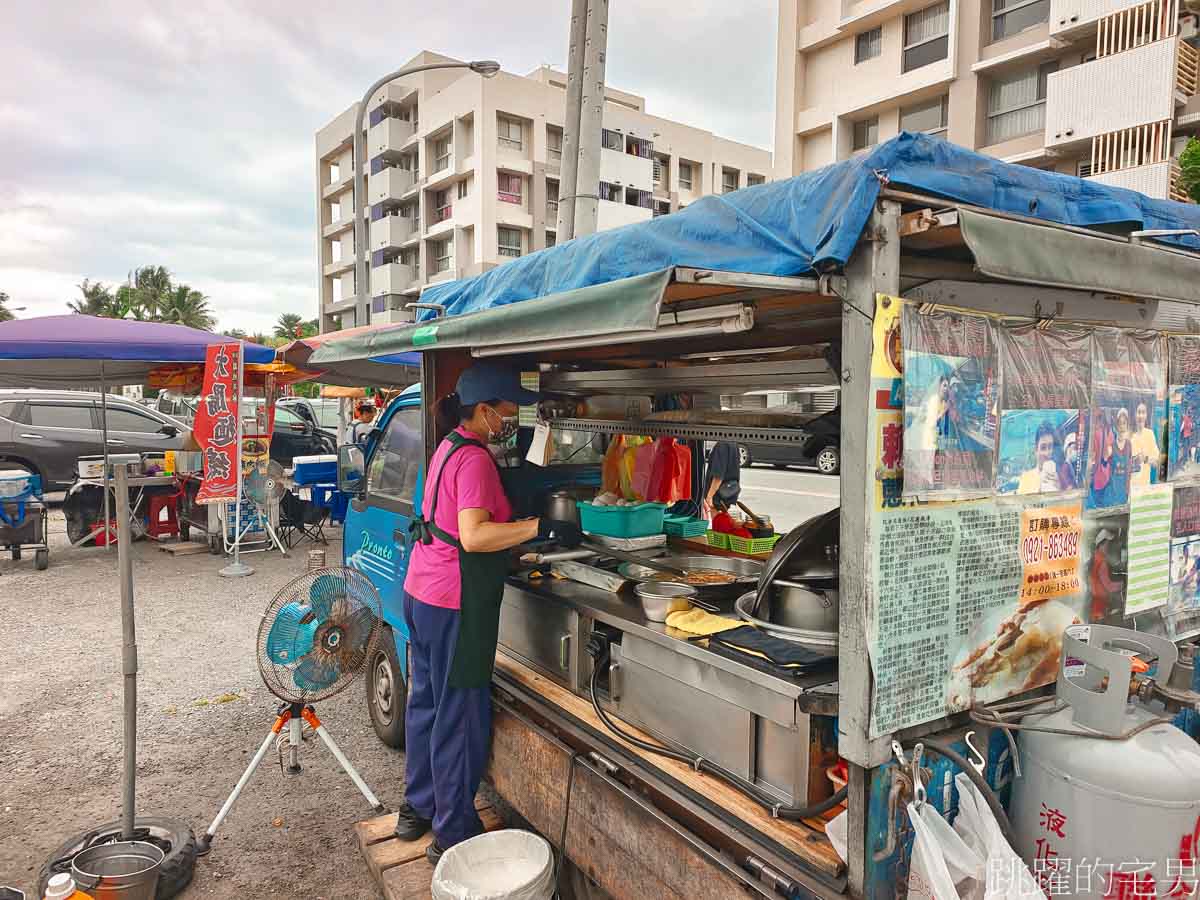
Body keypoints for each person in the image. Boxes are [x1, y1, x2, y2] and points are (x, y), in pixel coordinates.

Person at [393, 361, 582, 864]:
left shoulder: (448, 447)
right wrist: (537, 528)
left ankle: (418, 808)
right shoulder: (475, 460)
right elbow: (475, 535)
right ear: (484, 411)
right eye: (507, 410)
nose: (511, 419)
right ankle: (453, 834)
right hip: (455, 600)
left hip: (421, 590)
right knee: (459, 716)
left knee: (425, 704)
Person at [1089, 529, 1123, 621]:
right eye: (1108, 543)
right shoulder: (1101, 561)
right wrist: (1124, 584)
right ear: (1101, 544)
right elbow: (1109, 586)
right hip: (1099, 608)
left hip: (1095, 604)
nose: (1109, 546)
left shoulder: (1095, 557)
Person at [1016, 422, 1058, 495]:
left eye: (1050, 447)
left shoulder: (1057, 476)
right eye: (1043, 448)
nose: (1047, 453)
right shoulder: (1026, 478)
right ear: (1036, 449)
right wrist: (1039, 486)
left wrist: (1059, 489)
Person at [704, 441, 741, 518]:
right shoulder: (733, 442)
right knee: (725, 525)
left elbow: (718, 476)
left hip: (719, 496)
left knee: (718, 525)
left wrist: (709, 496)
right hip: (730, 491)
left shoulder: (722, 445)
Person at [1129, 400, 1160, 487]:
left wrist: (1145, 459)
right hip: (1130, 486)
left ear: (1146, 415)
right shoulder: (1130, 435)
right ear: (1134, 414)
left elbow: (1156, 463)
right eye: (1138, 412)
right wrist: (1134, 460)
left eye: (1143, 412)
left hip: (1144, 486)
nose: (1141, 416)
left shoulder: (1150, 434)